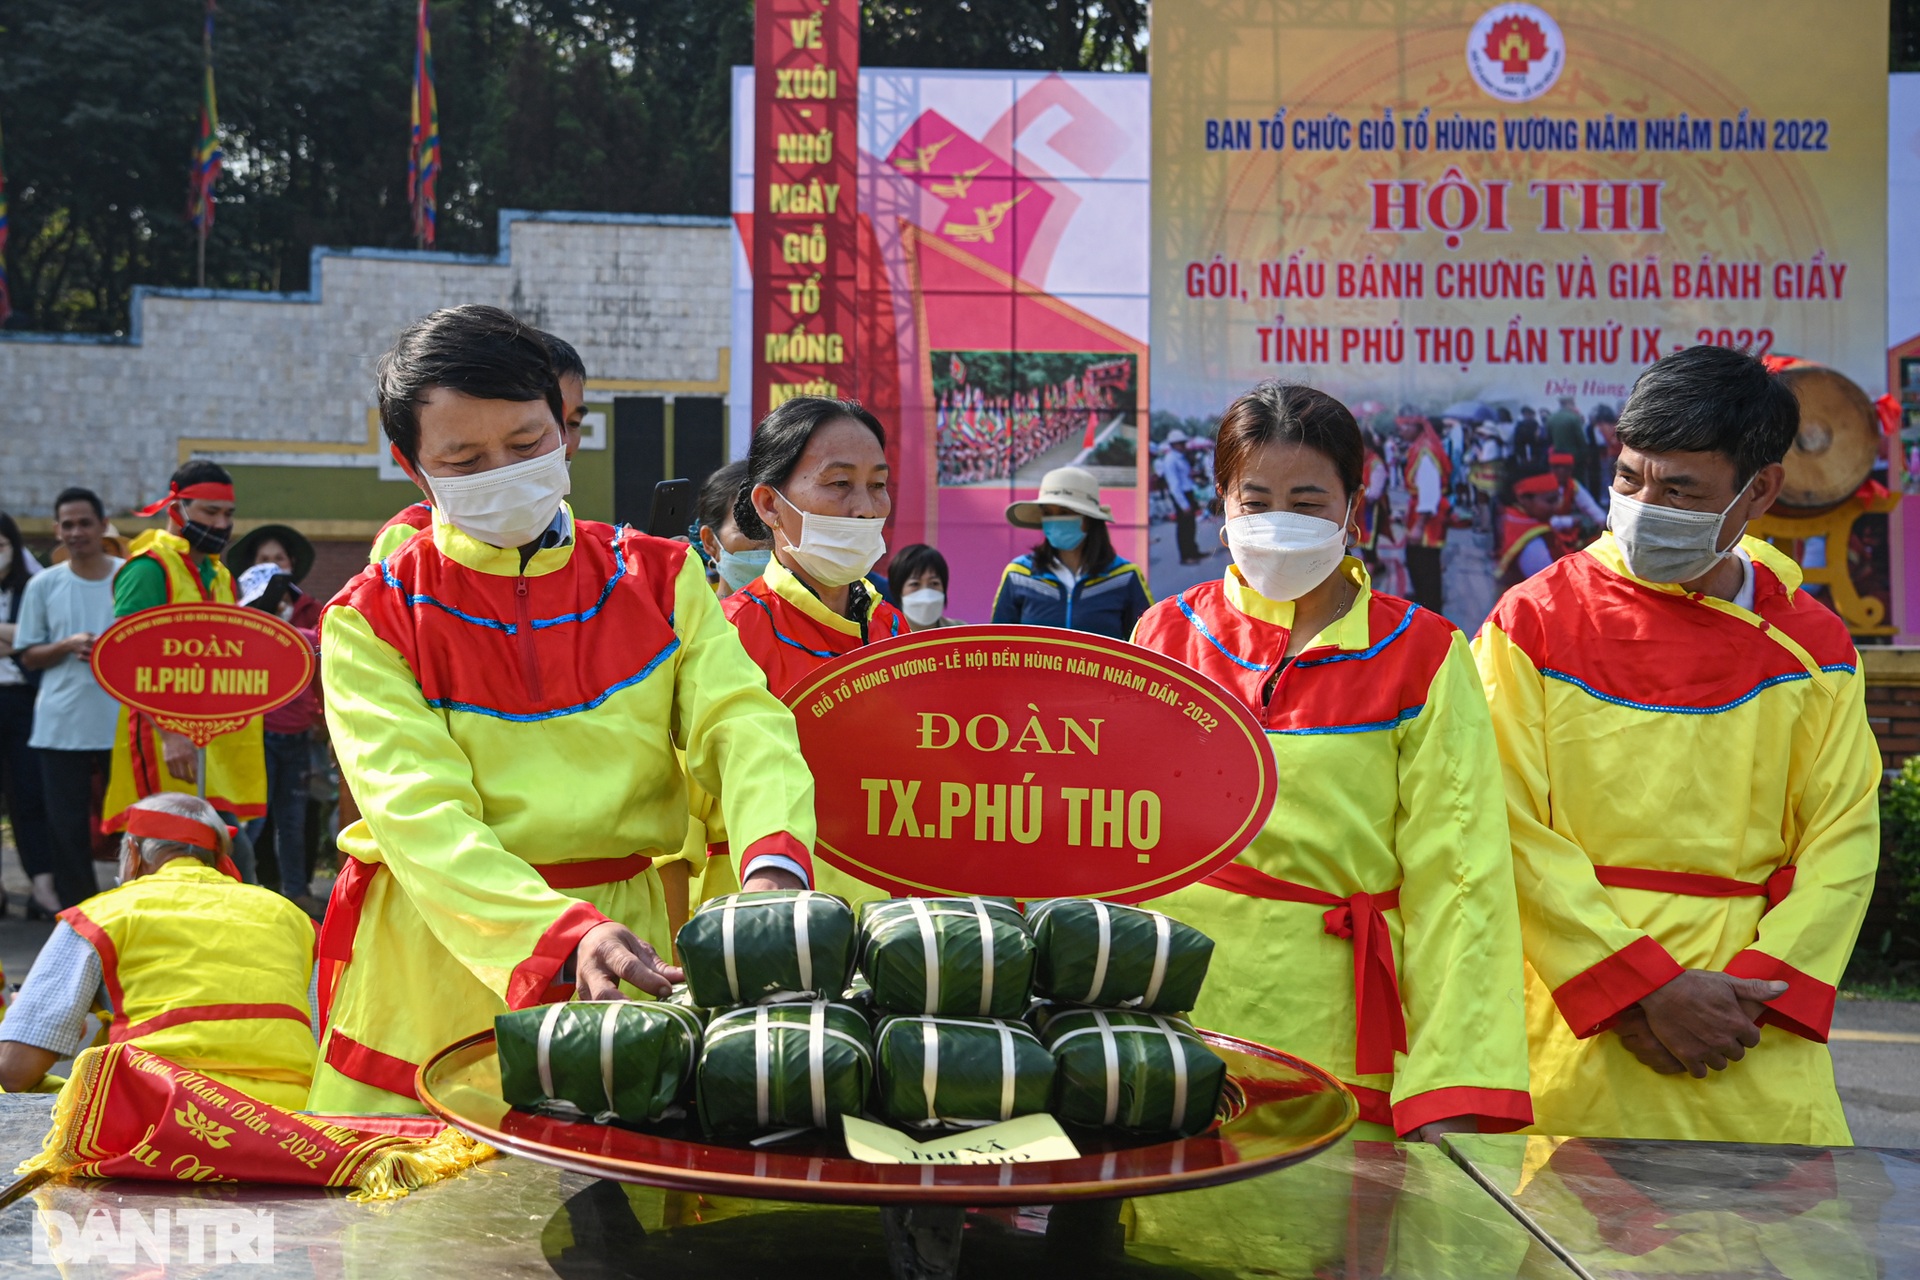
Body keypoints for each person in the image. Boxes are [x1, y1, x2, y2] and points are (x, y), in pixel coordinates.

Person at [311, 305, 815, 1113]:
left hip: (627, 949)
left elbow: (743, 724)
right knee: (418, 1228)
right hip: (438, 954)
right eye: (465, 459)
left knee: (625, 1214)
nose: (502, 470)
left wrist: (773, 866)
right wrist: (561, 934)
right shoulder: (374, 616)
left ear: (566, 430)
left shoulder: (658, 578)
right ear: (415, 469)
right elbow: (419, 815)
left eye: (525, 444)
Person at [1473, 345, 1879, 1144]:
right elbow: (1500, 823)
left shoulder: (1815, 644)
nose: (1642, 504)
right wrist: (1636, 990)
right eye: (1629, 478)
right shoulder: (1533, 623)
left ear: (1760, 488)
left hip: (1749, 1037)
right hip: (1580, 1032)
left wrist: (1750, 994)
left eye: (1680, 489)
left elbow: (1844, 840)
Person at [1131, 382, 1531, 1141]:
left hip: (1335, 1021)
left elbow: (1462, 878)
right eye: (1257, 500)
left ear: (1354, 505)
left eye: (1308, 501)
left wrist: (1452, 1079)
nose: (1279, 522)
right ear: (1221, 502)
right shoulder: (1164, 635)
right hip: (1172, 1015)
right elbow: (1110, 839)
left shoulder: (1422, 653)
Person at [0, 793, 318, 1108]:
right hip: (287, 1121)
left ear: (133, 853)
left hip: (156, 1116)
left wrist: (36, 1026)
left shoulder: (102, 916)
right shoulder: (291, 918)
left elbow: (15, 1071)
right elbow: (323, 1041)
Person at [104, 461, 265, 881]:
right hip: (163, 743)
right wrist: (170, 733)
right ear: (177, 508)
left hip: (215, 744)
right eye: (210, 513)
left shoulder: (223, 576)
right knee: (161, 853)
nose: (222, 523)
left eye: (228, 514)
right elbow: (127, 660)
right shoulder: (147, 570)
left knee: (223, 853)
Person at [723, 396, 906, 699]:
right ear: (770, 504)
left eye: (878, 484)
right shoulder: (731, 633)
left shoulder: (892, 626)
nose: (866, 509)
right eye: (839, 482)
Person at [369, 329, 589, 563]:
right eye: (466, 460)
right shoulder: (404, 555)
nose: (563, 443)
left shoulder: (620, 560)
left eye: (528, 442)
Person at [13, 490, 124, 913]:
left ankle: (132, 911)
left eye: (84, 523)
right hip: (60, 725)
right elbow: (28, 653)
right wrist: (67, 645)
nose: (76, 532)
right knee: (66, 829)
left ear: (102, 525)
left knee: (132, 824)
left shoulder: (128, 575)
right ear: (58, 529)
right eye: (67, 524)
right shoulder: (43, 583)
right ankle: (78, 917)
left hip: (121, 723)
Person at [224, 525, 324, 907]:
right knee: (253, 819)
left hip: (300, 733)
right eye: (264, 560)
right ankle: (240, 894)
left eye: (279, 559)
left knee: (294, 820)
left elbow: (321, 650)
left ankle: (297, 893)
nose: (273, 567)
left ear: (292, 565)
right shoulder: (241, 613)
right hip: (255, 734)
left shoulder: (312, 610)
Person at [991, 466, 1151, 639]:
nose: (1054, 520)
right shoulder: (1019, 574)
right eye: (1047, 512)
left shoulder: (1125, 577)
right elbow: (998, 645)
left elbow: (1147, 643)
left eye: (1065, 512)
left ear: (1089, 520)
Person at [0, 512, 52, 919]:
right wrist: (14, 636)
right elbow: (21, 638)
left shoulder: (33, 586)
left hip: (23, 701)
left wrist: (17, 639)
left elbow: (35, 638)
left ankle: (42, 884)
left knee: (29, 795)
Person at [1393, 410, 1449, 612]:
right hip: (1419, 515)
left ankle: (1431, 608)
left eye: (1405, 425)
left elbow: (1429, 494)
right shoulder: (1420, 447)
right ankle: (1423, 600)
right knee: (1417, 561)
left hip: (1427, 521)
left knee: (1425, 565)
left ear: (1417, 427)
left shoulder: (1425, 453)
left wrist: (1418, 525)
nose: (1401, 430)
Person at [694, 460, 769, 598]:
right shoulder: (691, 617)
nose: (766, 539)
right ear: (710, 542)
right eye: (748, 524)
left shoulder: (813, 615)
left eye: (774, 523)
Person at [1495, 473, 1565, 591]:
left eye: (1558, 499)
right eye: (1550, 501)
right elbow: (1550, 586)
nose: (1557, 506)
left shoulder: (1514, 517)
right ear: (1523, 499)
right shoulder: (1531, 542)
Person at [888, 543, 966, 629]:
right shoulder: (885, 637)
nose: (926, 595)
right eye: (915, 584)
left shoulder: (961, 633)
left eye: (934, 583)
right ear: (898, 590)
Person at [1157, 432, 1204, 564]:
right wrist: (1184, 505)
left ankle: (1193, 551)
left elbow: (1185, 476)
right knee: (1184, 527)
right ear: (1173, 445)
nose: (1183, 445)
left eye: (1183, 443)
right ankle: (1186, 555)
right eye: (1180, 443)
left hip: (1188, 492)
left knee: (1191, 525)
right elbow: (1174, 485)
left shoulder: (1181, 457)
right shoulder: (1170, 460)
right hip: (1181, 495)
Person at [1546, 394, 1589, 482]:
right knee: (1577, 482)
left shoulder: (1551, 418)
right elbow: (1581, 439)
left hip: (1557, 456)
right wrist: (1585, 456)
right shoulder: (1573, 418)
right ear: (1568, 403)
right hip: (1574, 457)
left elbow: (1549, 439)